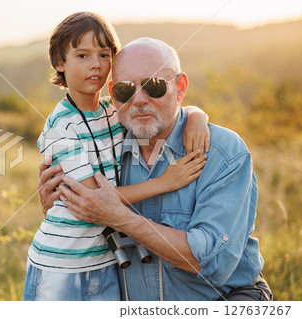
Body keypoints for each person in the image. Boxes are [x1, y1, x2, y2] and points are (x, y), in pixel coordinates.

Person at [39, 37, 273, 301]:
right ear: (113, 96)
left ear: (180, 87)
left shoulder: (222, 152)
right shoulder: (104, 147)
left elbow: (211, 262)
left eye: (155, 86)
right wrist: (56, 206)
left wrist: (120, 217)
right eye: (126, 90)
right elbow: (82, 210)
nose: (139, 100)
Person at [23, 12, 210, 301]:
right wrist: (165, 182)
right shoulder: (61, 126)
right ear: (60, 62)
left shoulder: (114, 109)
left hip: (107, 261)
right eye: (82, 55)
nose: (95, 64)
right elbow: (94, 199)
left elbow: (164, 108)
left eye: (104, 54)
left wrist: (197, 116)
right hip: (61, 264)